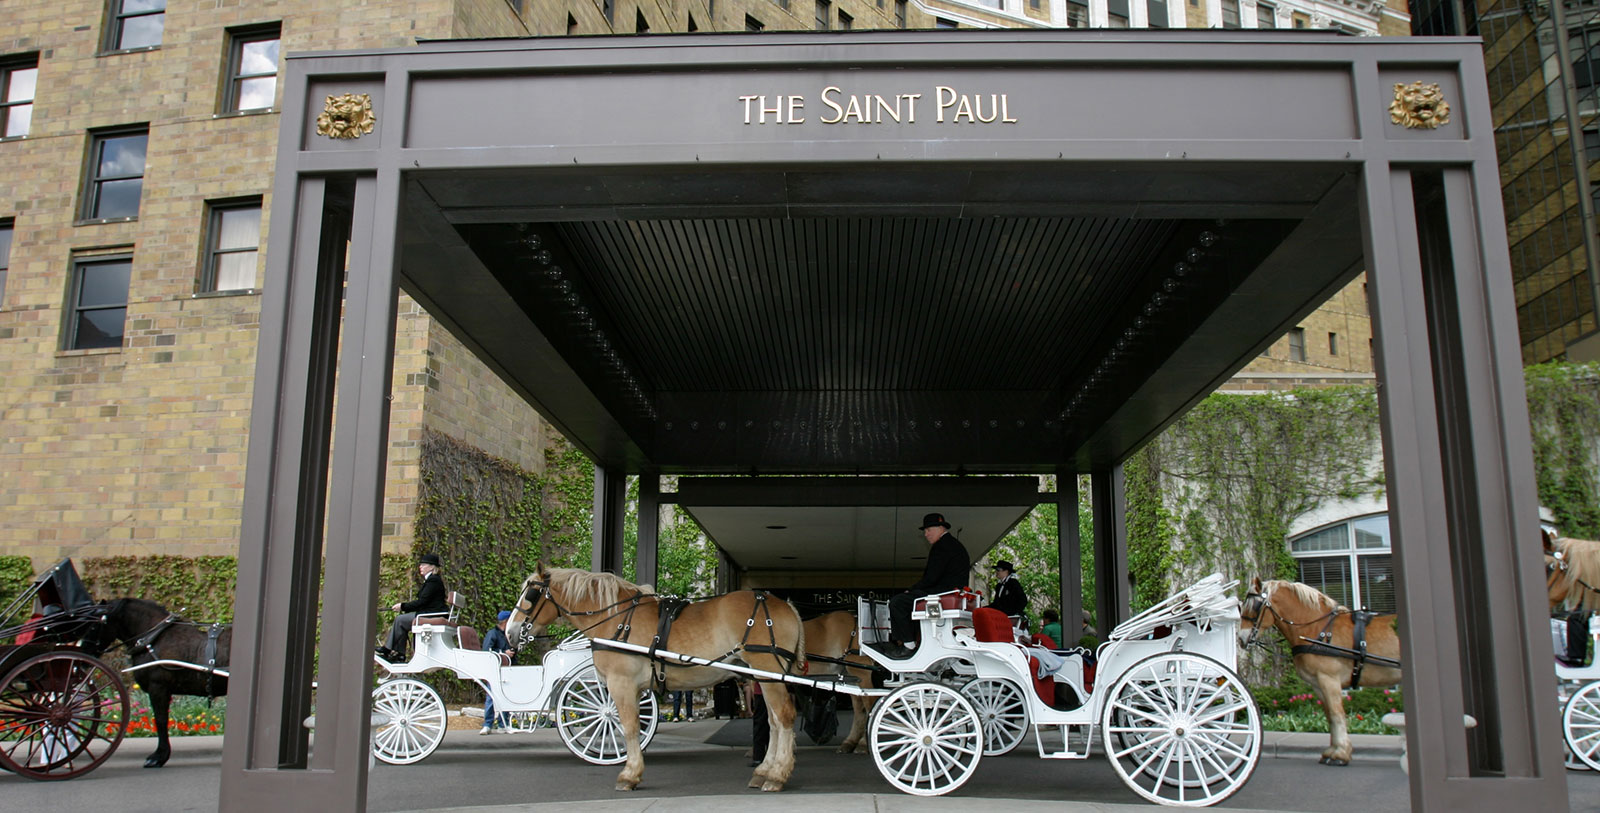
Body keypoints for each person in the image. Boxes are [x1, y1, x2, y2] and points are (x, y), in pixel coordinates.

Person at [873, 512, 971, 659]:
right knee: (911, 601)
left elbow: (931, 578)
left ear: (940, 528)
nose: (926, 534)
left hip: (941, 593)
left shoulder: (941, 547)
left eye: (928, 530)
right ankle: (916, 640)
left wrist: (911, 590)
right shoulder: (955, 544)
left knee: (898, 602)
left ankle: (908, 645)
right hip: (950, 592)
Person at [376, 553, 447, 661]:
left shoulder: (433, 581)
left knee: (400, 620)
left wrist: (402, 606)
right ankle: (399, 653)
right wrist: (403, 607)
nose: (420, 567)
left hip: (430, 614)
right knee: (402, 621)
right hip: (429, 612)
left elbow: (422, 602)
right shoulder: (433, 580)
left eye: (424, 564)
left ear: (432, 567)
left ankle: (389, 650)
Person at [480, 609, 514, 734]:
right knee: (491, 697)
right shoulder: (493, 634)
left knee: (506, 696)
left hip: (505, 670)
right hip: (495, 670)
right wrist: (503, 653)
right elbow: (487, 652)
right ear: (505, 622)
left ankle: (502, 724)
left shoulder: (506, 634)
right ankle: (488, 724)